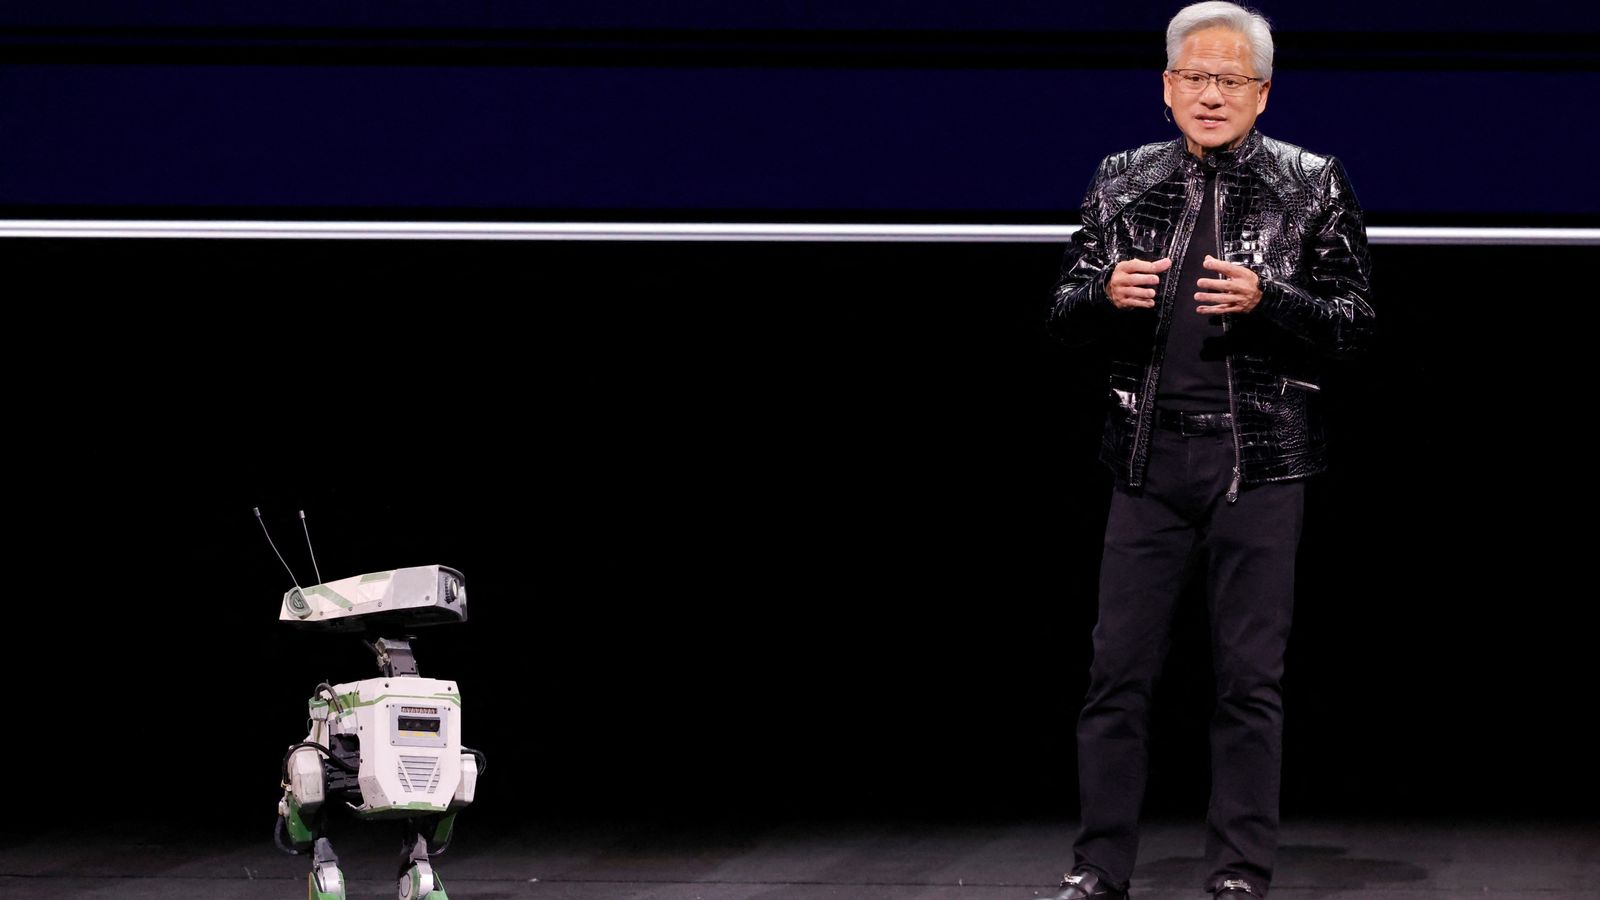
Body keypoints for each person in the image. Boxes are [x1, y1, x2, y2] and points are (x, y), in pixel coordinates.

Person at [1043, 3, 1375, 899]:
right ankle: (1098, 867)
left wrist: (1274, 300)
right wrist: (1101, 292)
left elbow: (1353, 328)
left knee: (1249, 685)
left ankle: (1236, 871)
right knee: (1117, 676)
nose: (1211, 94)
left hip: (1259, 464)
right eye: (1195, 77)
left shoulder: (1312, 183)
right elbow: (1061, 310)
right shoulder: (1121, 179)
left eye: (1231, 80)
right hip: (1145, 461)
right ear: (1166, 87)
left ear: (1262, 94)